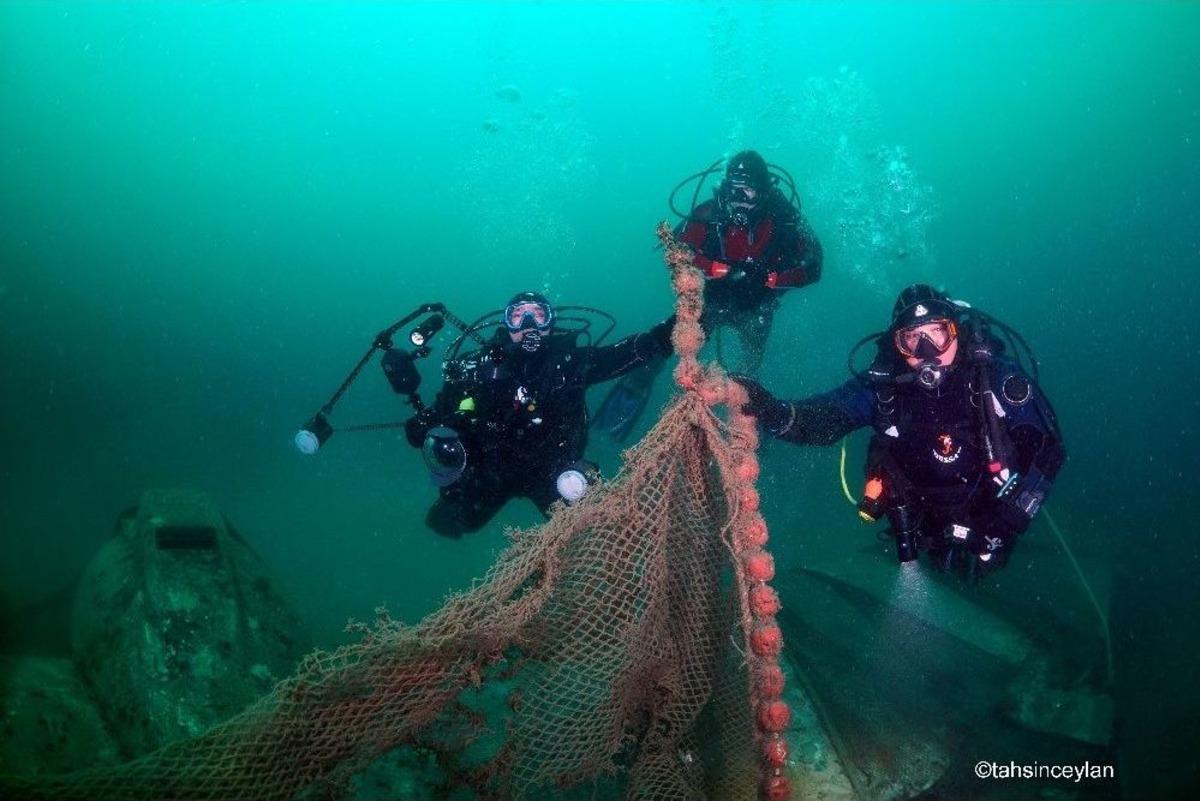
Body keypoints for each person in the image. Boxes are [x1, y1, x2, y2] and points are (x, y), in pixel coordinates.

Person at [733, 284, 1065, 577]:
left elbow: (1048, 448)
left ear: (956, 332)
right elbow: (825, 419)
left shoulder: (995, 378)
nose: (926, 351)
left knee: (985, 570)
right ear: (897, 345)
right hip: (919, 521)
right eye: (912, 339)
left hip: (990, 514)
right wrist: (772, 410)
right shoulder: (884, 387)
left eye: (937, 333)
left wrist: (1008, 522)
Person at [401, 291, 674, 537]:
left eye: (538, 315)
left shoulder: (571, 362)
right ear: (507, 324)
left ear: (550, 323)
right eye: (518, 316)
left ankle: (555, 565)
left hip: (553, 469)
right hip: (492, 469)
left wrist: (676, 326)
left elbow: (630, 351)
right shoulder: (477, 367)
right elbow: (438, 417)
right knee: (451, 522)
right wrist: (422, 425)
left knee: (594, 532)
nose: (528, 324)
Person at [677, 149, 823, 372]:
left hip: (757, 306)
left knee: (749, 367)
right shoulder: (709, 213)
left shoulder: (786, 219)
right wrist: (719, 270)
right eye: (734, 190)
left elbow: (813, 267)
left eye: (748, 190)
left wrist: (771, 279)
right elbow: (678, 253)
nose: (739, 199)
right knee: (675, 342)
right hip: (709, 298)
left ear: (764, 192)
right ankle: (643, 378)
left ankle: (741, 388)